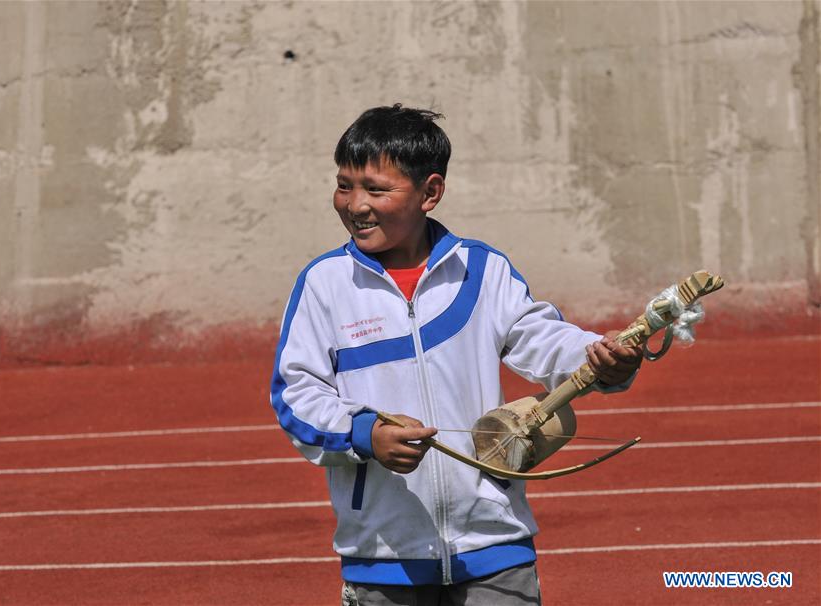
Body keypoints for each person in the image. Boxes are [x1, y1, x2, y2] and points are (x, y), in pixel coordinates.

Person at [270, 104, 643, 606]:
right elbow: (296, 395)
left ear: (430, 192)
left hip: (495, 550)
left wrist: (598, 355)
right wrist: (365, 434)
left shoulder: (481, 270)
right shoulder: (324, 284)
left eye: (376, 190)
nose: (355, 204)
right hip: (383, 560)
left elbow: (544, 339)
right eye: (344, 185)